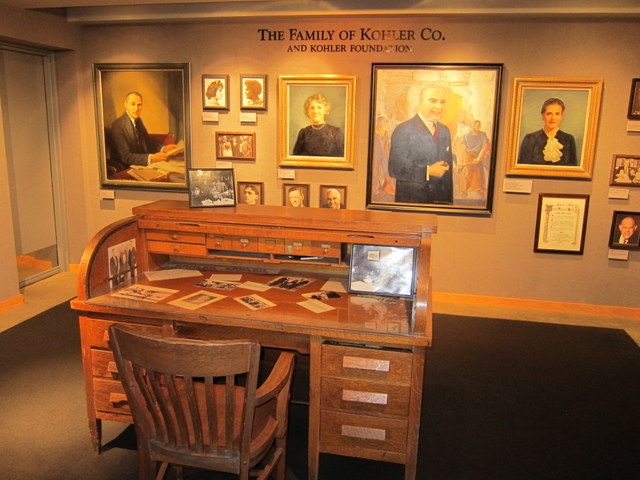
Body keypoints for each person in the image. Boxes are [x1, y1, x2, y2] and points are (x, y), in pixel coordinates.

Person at [388, 86, 453, 204]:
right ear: (420, 103)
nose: (439, 107)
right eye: (433, 101)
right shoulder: (403, 130)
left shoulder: (445, 130)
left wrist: (448, 205)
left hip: (440, 203)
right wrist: (427, 171)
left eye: (442, 102)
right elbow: (395, 168)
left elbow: (448, 175)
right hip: (413, 202)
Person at [108, 91, 177, 173]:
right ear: (126, 105)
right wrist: (150, 158)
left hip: (140, 166)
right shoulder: (117, 125)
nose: (136, 109)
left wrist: (164, 148)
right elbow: (126, 157)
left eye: (139, 105)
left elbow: (148, 143)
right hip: (124, 169)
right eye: (133, 104)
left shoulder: (138, 121)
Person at [517, 98, 578, 166]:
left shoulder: (569, 139)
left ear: (561, 117)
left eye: (557, 114)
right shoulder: (530, 139)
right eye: (549, 114)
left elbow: (573, 167)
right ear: (543, 116)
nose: (553, 118)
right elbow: (523, 167)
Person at [293, 93, 344, 157]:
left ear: (325, 110)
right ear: (308, 111)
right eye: (312, 108)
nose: (315, 111)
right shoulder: (303, 133)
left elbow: (341, 158)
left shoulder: (336, 132)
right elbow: (296, 158)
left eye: (319, 107)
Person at [460, 120, 489, 197]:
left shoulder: (482, 134)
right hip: (469, 155)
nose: (478, 127)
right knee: (466, 172)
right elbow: (463, 148)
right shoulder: (466, 135)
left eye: (479, 125)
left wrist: (478, 158)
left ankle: (481, 190)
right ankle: (463, 190)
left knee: (478, 172)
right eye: (476, 125)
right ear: (472, 125)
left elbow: (484, 147)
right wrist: (460, 161)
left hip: (478, 155)